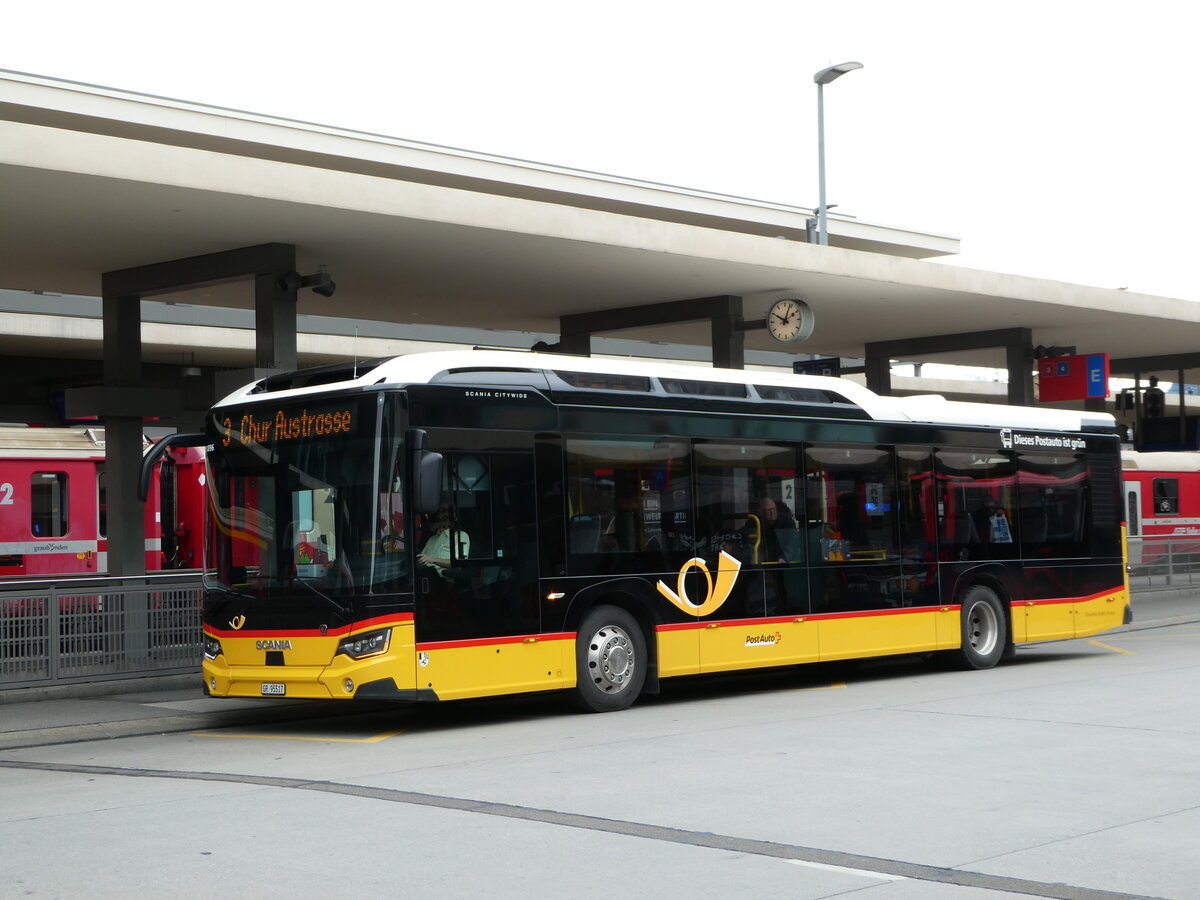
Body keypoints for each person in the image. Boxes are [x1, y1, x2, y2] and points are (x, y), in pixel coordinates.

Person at [418, 507, 470, 574]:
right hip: (424, 575)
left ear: (456, 517)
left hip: (444, 580)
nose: (446, 514)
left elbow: (459, 563)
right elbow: (421, 560)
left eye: (451, 511)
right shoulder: (432, 538)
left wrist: (433, 560)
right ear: (438, 516)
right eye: (442, 511)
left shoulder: (461, 536)